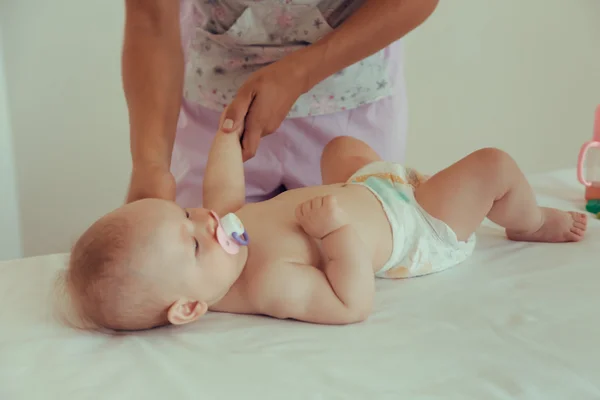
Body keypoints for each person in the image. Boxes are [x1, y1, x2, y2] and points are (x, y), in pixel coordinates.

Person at [59, 131, 588, 332]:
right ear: (190, 308)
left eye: (183, 214)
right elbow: (350, 302)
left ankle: (382, 172)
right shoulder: (266, 283)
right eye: (193, 241)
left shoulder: (226, 249)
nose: (204, 220)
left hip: (372, 188)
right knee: (492, 166)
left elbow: (223, 197)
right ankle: (533, 222)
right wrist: (335, 235)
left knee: (339, 146)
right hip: (413, 225)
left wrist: (226, 139)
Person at [122, 0, 440, 208]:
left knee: (355, 253)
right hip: (216, 114)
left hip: (350, 102)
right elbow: (150, 20)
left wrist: (300, 73)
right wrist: (150, 168)